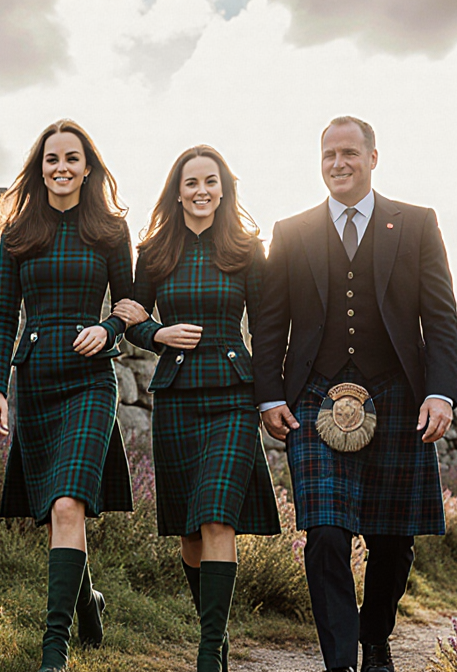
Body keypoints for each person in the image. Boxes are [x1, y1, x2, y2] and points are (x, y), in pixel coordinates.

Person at [251, 116, 457, 672]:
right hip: (315, 398)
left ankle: (376, 637)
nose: (337, 163)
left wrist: (440, 393)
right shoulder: (291, 231)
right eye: (327, 155)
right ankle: (340, 662)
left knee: (393, 540)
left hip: (396, 395)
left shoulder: (415, 224)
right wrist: (270, 395)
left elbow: (439, 316)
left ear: (372, 158)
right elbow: (271, 323)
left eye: (348, 152)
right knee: (324, 534)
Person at [113, 145, 279, 672]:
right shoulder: (156, 249)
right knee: (188, 533)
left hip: (233, 393)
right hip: (179, 395)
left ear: (224, 188)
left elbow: (271, 326)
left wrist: (271, 391)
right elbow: (130, 315)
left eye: (211, 181)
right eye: (191, 183)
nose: (201, 191)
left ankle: (209, 654)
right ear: (177, 189)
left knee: (215, 518)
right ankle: (218, 631)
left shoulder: (248, 248)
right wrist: (158, 332)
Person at [0, 119, 139, 672]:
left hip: (92, 380)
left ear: (88, 167)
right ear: (39, 166)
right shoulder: (19, 232)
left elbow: (131, 304)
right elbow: (4, 316)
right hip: (37, 382)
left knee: (68, 501)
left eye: (72, 158)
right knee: (55, 514)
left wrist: (110, 330)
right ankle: (89, 603)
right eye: (52, 159)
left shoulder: (110, 229)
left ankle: (55, 652)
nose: (62, 168)